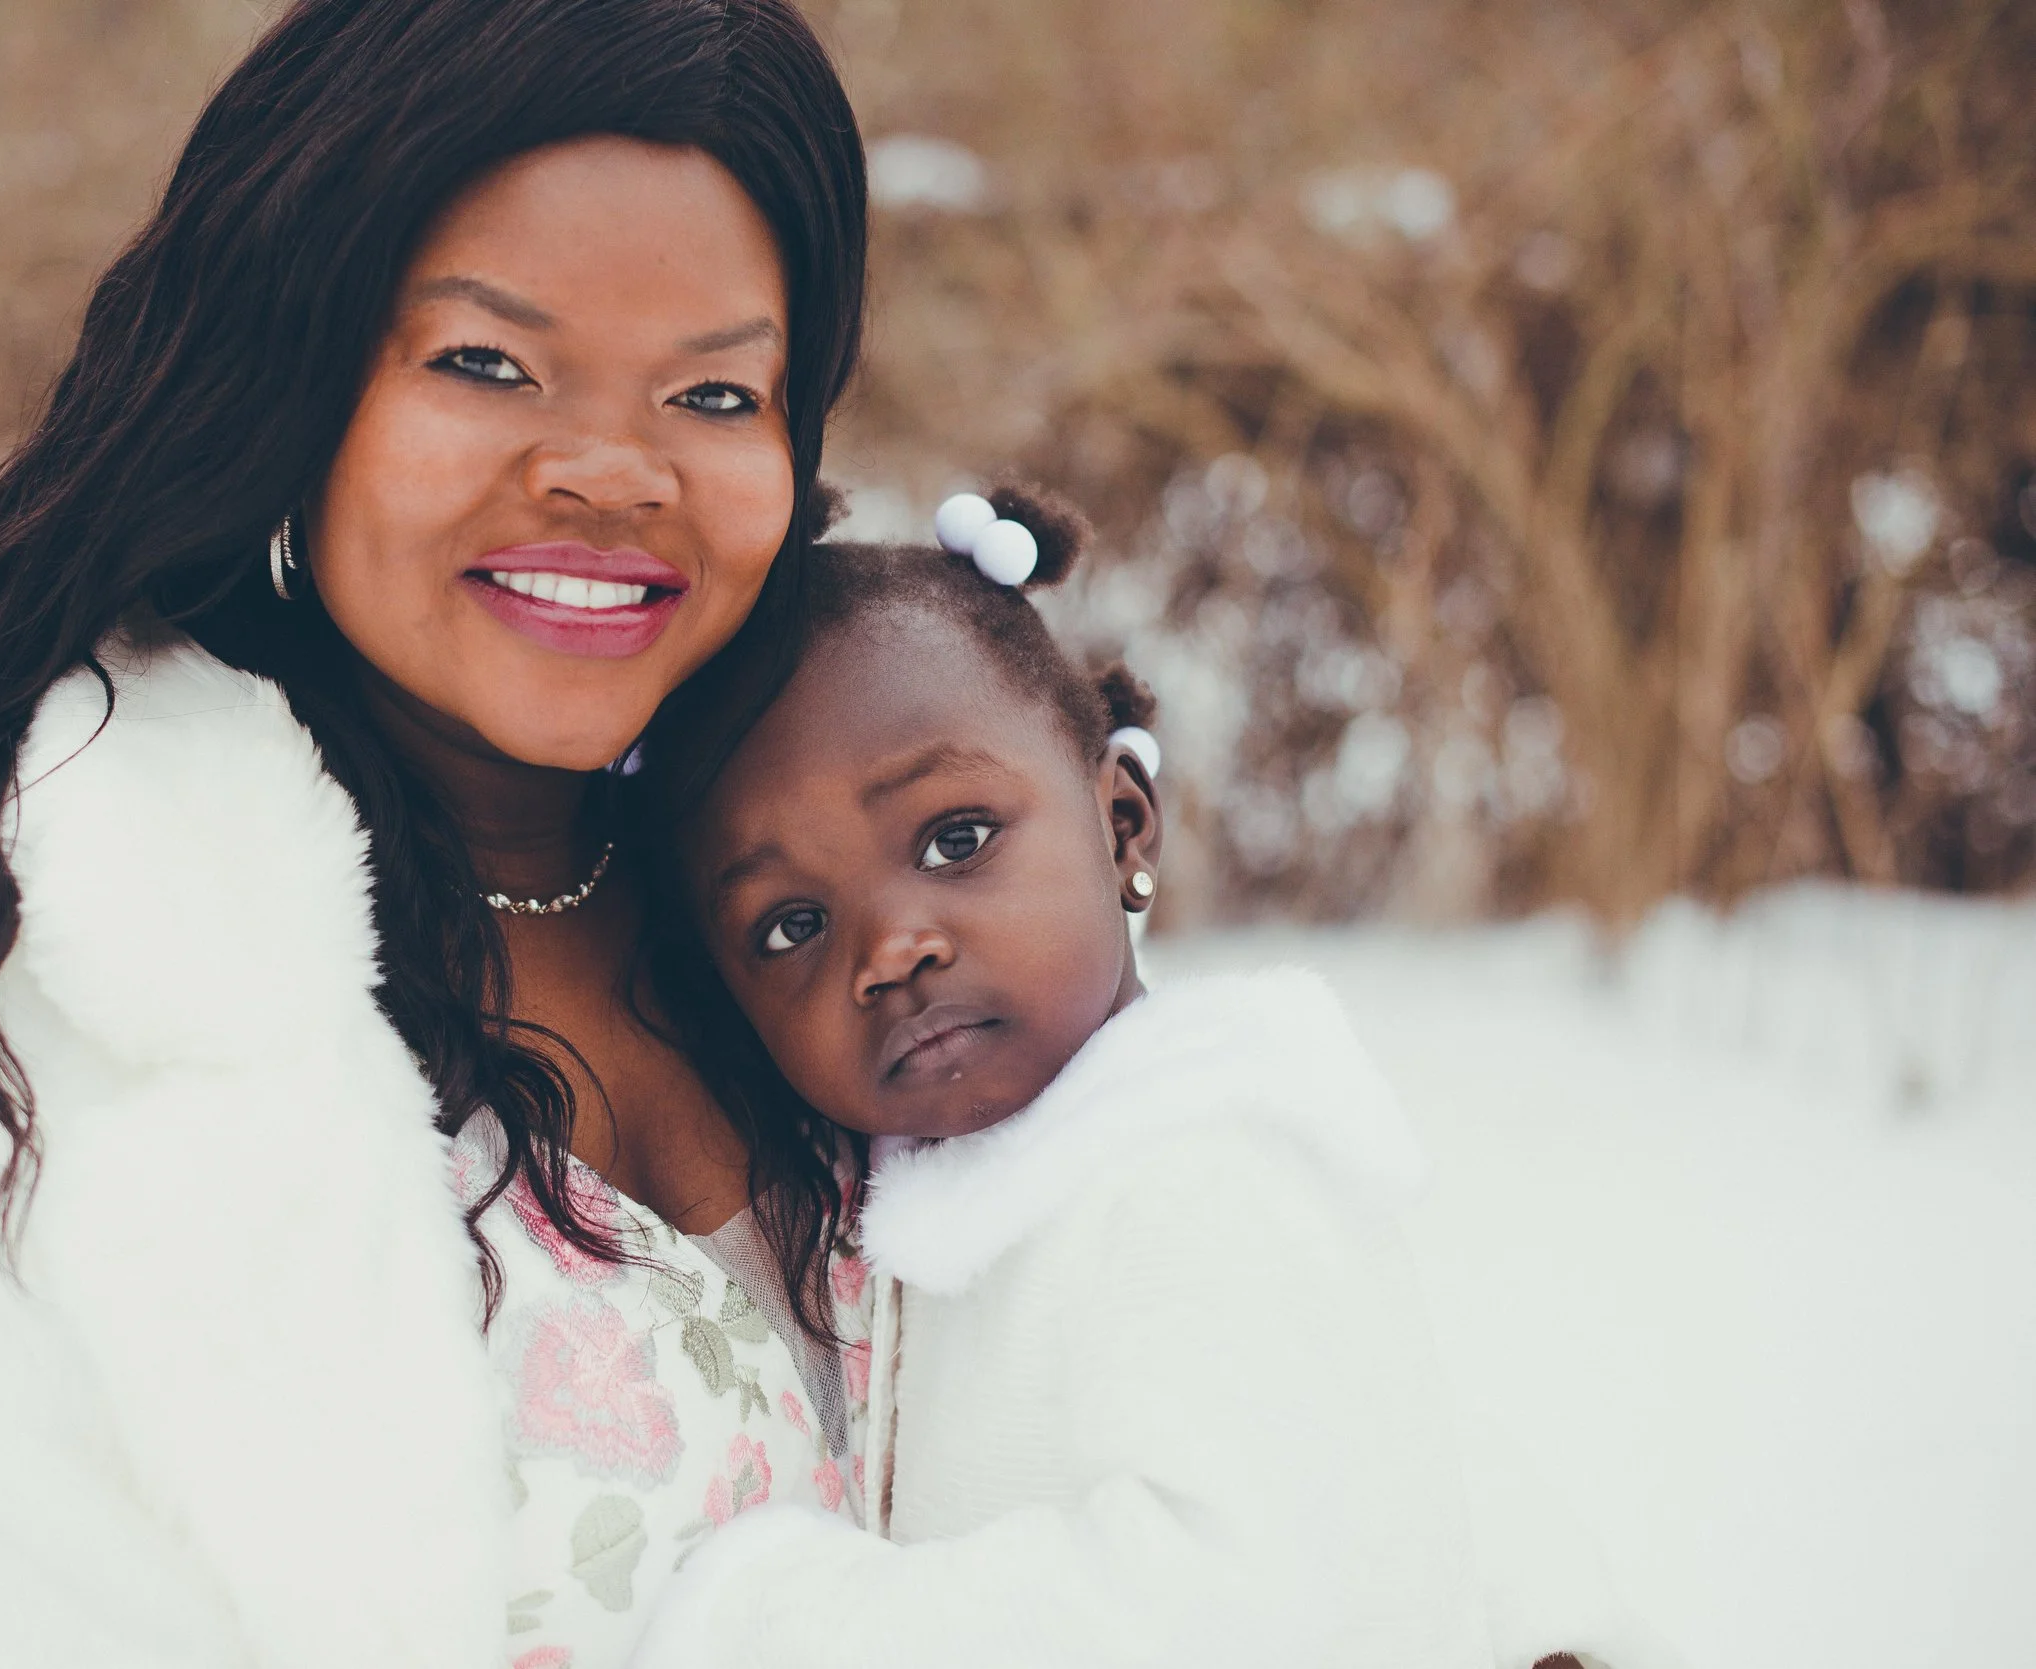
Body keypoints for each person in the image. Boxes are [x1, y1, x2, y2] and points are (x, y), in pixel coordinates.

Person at [0, 2, 875, 1663]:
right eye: (486, 362)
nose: (615, 473)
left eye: (714, 390)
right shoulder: (38, 975)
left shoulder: (815, 892)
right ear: (292, 373)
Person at [628, 488, 1653, 1669]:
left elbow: (1266, 1599)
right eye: (790, 923)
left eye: (954, 838)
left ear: (1123, 825)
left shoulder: (1204, 1176)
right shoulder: (944, 1191)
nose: (887, 946)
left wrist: (783, 1623)